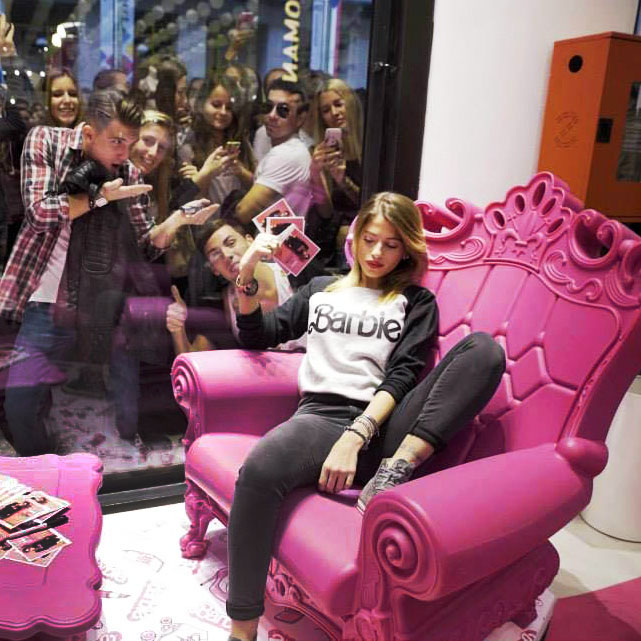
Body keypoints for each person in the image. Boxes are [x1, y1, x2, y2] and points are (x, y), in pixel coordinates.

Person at [224, 192, 505, 641]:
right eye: (370, 240)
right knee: (257, 470)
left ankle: (394, 473)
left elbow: (403, 375)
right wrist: (247, 270)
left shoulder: (415, 301)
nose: (377, 253)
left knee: (485, 350)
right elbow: (259, 334)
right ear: (355, 240)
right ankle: (242, 629)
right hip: (322, 417)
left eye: (391, 245)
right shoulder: (322, 290)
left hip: (388, 428)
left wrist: (357, 435)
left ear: (406, 250)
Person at [0, 89, 217, 456]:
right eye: (117, 141)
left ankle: (99, 458)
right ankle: (43, 466)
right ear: (89, 134)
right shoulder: (46, 141)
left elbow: (146, 246)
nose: (125, 152)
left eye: (130, 142)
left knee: (112, 398)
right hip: (44, 301)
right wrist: (100, 197)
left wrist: (179, 220)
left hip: (102, 305)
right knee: (21, 403)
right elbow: (39, 213)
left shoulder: (128, 171)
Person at [166, 218, 301, 354]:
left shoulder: (295, 275)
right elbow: (192, 358)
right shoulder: (223, 303)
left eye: (231, 243)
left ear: (250, 241)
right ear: (214, 269)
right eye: (215, 254)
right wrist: (177, 330)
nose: (226, 255)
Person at [234, 79, 312, 226]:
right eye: (268, 107)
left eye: (283, 110)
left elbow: (243, 212)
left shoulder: (286, 154)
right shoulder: (290, 149)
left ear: (300, 118)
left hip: (276, 239)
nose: (272, 115)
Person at [308, 77, 363, 266]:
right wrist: (316, 173)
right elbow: (325, 211)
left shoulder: (370, 144)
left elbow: (370, 203)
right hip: (334, 242)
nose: (334, 113)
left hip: (363, 235)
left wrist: (343, 181)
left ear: (350, 103)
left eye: (338, 104)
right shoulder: (320, 151)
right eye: (325, 110)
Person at [178, 73, 254, 207]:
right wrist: (202, 177)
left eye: (229, 107)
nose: (223, 112)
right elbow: (187, 201)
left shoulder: (242, 143)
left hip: (237, 217)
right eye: (216, 105)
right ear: (202, 104)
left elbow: (256, 187)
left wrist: (241, 171)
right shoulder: (189, 147)